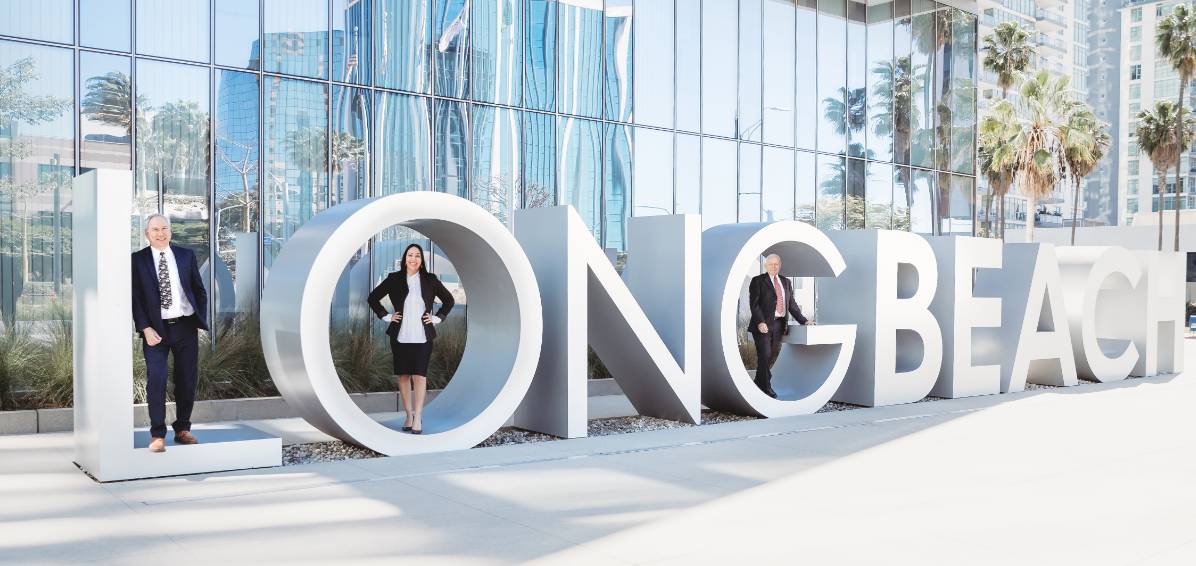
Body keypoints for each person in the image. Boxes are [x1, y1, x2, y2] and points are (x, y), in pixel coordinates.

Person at [130, 214, 209, 453]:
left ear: (171, 232)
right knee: (157, 379)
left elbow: (199, 290)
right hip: (155, 331)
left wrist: (198, 319)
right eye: (155, 229)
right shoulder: (137, 260)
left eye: (164, 228)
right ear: (147, 233)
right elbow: (135, 297)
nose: (160, 233)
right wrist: (145, 327)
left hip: (185, 326)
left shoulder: (186, 255)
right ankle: (157, 434)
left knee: (186, 378)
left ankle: (183, 428)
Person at [367, 244, 455, 434]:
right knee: (404, 376)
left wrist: (437, 317)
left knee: (419, 376)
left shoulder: (430, 280)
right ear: (404, 258)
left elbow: (449, 300)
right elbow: (373, 298)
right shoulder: (394, 279)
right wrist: (385, 316)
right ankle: (408, 414)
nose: (413, 258)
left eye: (417, 255)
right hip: (400, 335)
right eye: (410, 255)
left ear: (421, 260)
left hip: (423, 335)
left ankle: (418, 417)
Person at [747, 254, 813, 398]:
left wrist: (804, 320)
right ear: (765, 266)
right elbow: (754, 304)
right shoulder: (757, 281)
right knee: (764, 355)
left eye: (776, 264)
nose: (773, 266)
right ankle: (766, 387)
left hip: (779, 325)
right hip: (762, 325)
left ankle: (759, 382)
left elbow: (792, 305)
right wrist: (760, 322)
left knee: (770, 357)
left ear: (780, 265)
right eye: (770, 264)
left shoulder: (786, 282)